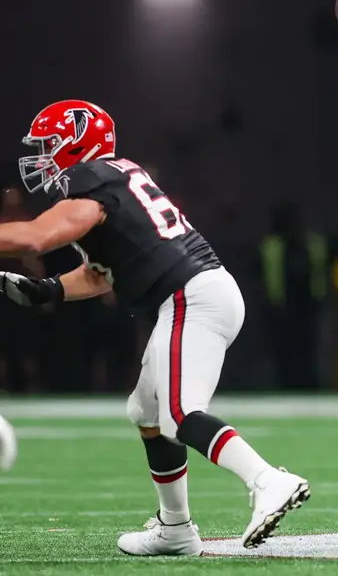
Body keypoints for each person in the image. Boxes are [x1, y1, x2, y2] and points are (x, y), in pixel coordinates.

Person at [0, 100, 309, 555]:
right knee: (146, 414)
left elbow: (36, 236)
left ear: (77, 143)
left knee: (179, 414)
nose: (42, 156)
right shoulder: (111, 183)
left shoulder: (93, 177)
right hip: (194, 295)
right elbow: (101, 274)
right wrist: (47, 290)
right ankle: (176, 529)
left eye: (49, 145)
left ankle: (267, 480)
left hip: (190, 296)